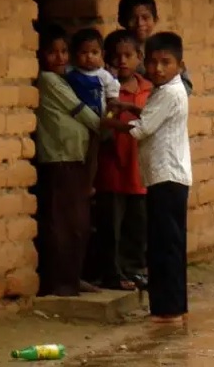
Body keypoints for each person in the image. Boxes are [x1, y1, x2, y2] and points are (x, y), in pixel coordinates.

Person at [106, 32, 192, 324]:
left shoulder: (167, 92)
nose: (157, 68)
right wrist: (131, 108)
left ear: (180, 65)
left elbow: (141, 130)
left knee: (163, 246)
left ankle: (167, 310)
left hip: (165, 178)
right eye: (153, 62)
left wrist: (106, 123)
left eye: (165, 63)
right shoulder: (168, 89)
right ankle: (175, 306)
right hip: (171, 176)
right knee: (170, 244)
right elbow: (152, 116)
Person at [32, 22, 105, 297]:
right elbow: (82, 112)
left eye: (64, 51)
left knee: (79, 224)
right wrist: (105, 126)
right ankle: (60, 282)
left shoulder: (67, 78)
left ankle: (73, 277)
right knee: (62, 223)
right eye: (52, 52)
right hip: (60, 159)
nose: (60, 58)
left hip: (76, 158)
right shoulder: (49, 81)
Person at [90, 29, 152, 291]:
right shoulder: (105, 90)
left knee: (137, 225)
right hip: (112, 167)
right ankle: (112, 274)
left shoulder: (149, 89)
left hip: (140, 169)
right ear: (107, 59)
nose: (123, 61)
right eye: (117, 57)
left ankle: (135, 270)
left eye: (129, 55)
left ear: (139, 57)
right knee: (110, 226)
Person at [117, 0, 193, 95]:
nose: (140, 23)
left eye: (145, 18)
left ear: (155, 19)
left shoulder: (164, 47)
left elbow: (186, 86)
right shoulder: (116, 50)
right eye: (133, 18)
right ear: (121, 21)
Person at [63, 27, 120, 117]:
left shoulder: (105, 76)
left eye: (94, 52)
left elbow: (113, 99)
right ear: (75, 54)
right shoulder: (69, 72)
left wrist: (110, 115)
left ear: (102, 54)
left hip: (98, 121)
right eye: (84, 52)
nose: (89, 56)